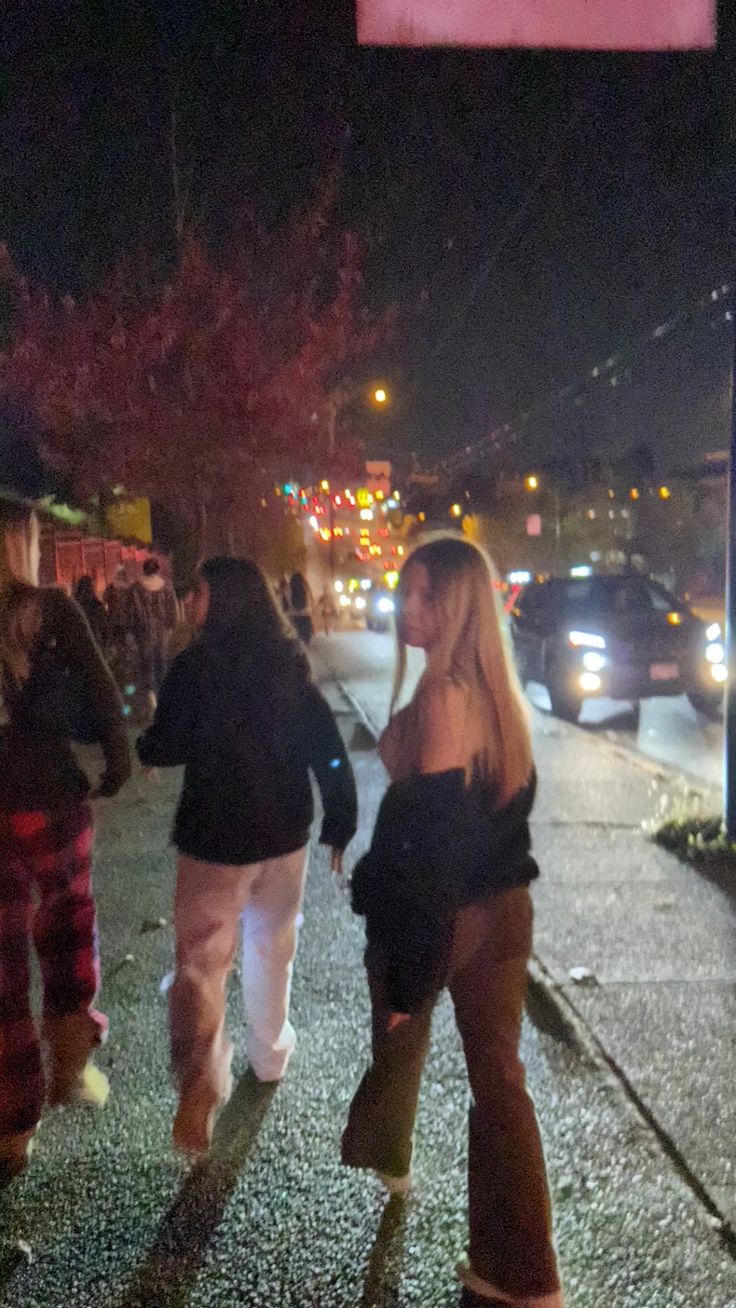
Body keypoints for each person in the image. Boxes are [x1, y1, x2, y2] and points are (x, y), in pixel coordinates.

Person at [342, 536, 564, 1308]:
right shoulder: (495, 696)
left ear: (459, 604)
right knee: (501, 1086)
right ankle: (525, 1275)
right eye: (407, 591)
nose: (409, 607)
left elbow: (427, 854)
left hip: (457, 915)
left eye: (428, 595)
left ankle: (394, 1156)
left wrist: (405, 975)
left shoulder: (442, 700)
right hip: (506, 913)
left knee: (451, 1059)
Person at [137, 556, 357, 1157]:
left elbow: (168, 743)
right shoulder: (289, 663)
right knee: (272, 943)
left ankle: (203, 1075)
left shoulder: (196, 665)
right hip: (284, 835)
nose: (191, 601)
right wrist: (341, 817)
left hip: (214, 838)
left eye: (199, 592)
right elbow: (326, 744)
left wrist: (147, 740)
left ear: (222, 599)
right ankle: (269, 1051)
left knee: (202, 962)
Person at [0, 502, 131, 1183]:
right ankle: (71, 1062)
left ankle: (11, 1128)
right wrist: (117, 761)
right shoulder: (50, 609)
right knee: (65, 926)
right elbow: (102, 691)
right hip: (47, 798)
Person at [128, 557, 178, 713]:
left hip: (143, 633)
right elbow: (173, 611)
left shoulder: (135, 589)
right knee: (161, 664)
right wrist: (172, 625)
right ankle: (163, 697)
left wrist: (131, 631)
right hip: (162, 632)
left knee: (146, 665)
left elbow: (129, 614)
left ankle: (150, 699)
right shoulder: (166, 587)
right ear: (157, 570)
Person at [74, 574, 110, 651]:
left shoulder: (97, 606)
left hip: (94, 641)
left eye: (90, 587)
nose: (89, 590)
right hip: (82, 642)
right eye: (87, 587)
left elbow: (104, 625)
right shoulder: (75, 606)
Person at [288, 571, 314, 645]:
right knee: (306, 641)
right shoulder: (305, 590)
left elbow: (288, 605)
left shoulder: (289, 591)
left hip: (295, 617)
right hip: (305, 616)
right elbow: (310, 602)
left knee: (297, 640)